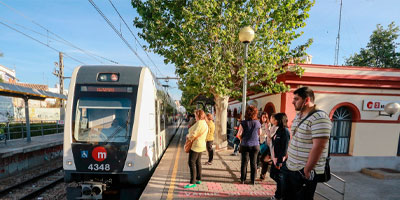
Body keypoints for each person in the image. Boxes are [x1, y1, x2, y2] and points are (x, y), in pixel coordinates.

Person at [282, 87, 332, 200]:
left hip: (302, 170)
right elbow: (294, 137)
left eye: (296, 99)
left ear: (306, 100)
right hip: (290, 166)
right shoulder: (299, 116)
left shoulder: (320, 118)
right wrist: (288, 156)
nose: (293, 102)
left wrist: (307, 169)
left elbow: (319, 146)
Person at [268, 113, 290, 200]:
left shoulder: (285, 131)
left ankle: (279, 195)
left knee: (279, 177)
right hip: (275, 158)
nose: (273, 120)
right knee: (273, 175)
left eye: (275, 119)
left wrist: (280, 161)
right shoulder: (278, 130)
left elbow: (285, 148)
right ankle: (282, 192)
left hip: (281, 159)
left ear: (279, 120)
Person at [184, 110, 208, 189]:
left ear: (198, 116)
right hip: (201, 145)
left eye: (195, 115)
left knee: (191, 162)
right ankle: (198, 179)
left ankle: (192, 182)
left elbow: (194, 134)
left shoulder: (199, 123)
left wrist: (188, 137)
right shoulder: (204, 122)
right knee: (198, 162)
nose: (195, 117)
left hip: (196, 145)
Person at [237, 105, 261, 185]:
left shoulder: (243, 123)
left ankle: (243, 179)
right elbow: (260, 133)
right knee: (254, 163)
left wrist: (241, 139)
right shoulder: (258, 123)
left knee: (244, 163)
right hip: (255, 145)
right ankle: (253, 180)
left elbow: (239, 134)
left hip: (245, 145)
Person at [258, 112, 271, 181]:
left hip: (265, 144)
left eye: (265, 117)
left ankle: (263, 175)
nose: (264, 119)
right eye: (263, 117)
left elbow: (267, 133)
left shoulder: (268, 124)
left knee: (264, 160)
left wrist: (262, 133)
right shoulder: (259, 123)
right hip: (258, 142)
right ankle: (258, 168)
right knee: (259, 158)